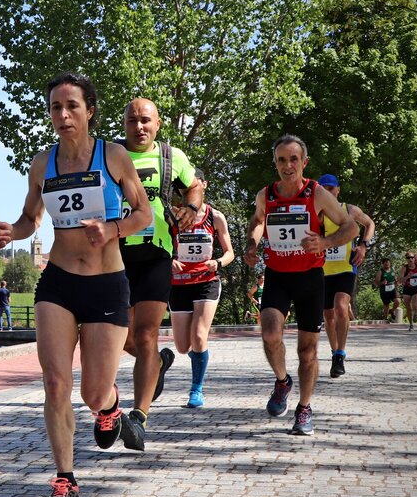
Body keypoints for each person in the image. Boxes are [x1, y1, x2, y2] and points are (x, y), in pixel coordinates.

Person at [0, 72, 152, 497]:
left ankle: (110, 407)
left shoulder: (113, 156)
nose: (63, 115)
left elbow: (144, 214)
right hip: (58, 282)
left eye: (72, 106)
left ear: (89, 110)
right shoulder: (42, 164)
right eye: (55, 107)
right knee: (55, 382)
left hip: (106, 283)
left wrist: (113, 229)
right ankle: (65, 479)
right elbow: (31, 219)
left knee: (93, 393)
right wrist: (11, 233)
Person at [244, 134, 356, 436]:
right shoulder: (266, 195)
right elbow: (257, 222)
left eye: (293, 159)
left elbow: (350, 227)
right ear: (275, 163)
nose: (287, 166)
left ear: (304, 162)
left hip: (310, 278)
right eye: (281, 160)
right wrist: (252, 245)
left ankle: (304, 408)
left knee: (307, 351)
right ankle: (282, 381)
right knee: (270, 334)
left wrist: (325, 242)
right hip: (278, 276)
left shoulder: (316, 193)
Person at [114, 98, 203, 452]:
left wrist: (192, 207)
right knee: (122, 338)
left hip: (155, 254)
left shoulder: (170, 157)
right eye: (132, 120)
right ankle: (159, 364)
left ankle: (138, 417)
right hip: (115, 254)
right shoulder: (109, 155)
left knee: (146, 334)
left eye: (145, 120)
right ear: (124, 123)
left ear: (158, 124)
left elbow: (195, 185)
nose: (139, 126)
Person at [167, 170, 234, 409]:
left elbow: (230, 252)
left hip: (207, 281)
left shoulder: (215, 217)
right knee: (182, 346)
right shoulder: (172, 216)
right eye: (181, 187)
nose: (186, 190)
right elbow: (160, 245)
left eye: (191, 184)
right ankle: (190, 356)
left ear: (202, 185)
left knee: (198, 335)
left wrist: (217, 262)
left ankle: (196, 389)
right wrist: (169, 260)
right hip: (179, 283)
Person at [317, 174, 376, 379]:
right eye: (323, 189)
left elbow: (369, 223)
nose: (328, 192)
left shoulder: (349, 210)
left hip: (346, 268)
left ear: (338, 190)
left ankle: (340, 354)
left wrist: (363, 245)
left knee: (341, 307)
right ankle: (334, 352)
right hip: (322, 270)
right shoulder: (315, 212)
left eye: (331, 189)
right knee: (328, 315)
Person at [375, 258, 400, 322]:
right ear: (383, 264)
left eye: (388, 263)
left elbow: (395, 278)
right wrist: (382, 282)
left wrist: (397, 282)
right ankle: (385, 319)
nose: (387, 264)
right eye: (385, 263)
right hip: (384, 291)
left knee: (398, 301)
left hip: (393, 289)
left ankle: (392, 310)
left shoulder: (392, 269)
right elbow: (376, 282)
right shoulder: (380, 271)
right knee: (386, 305)